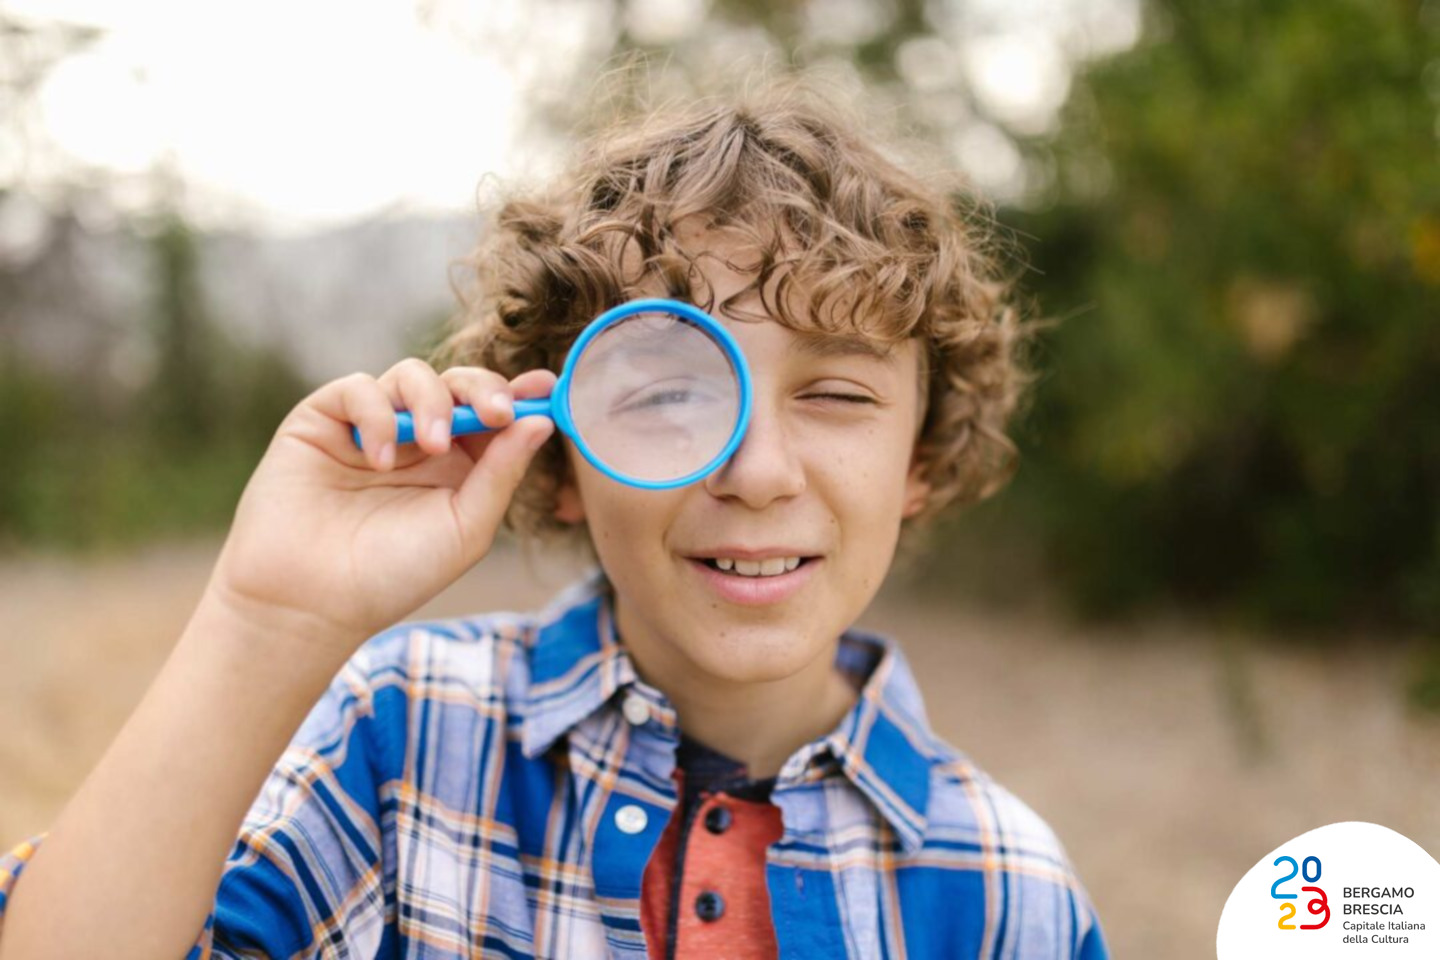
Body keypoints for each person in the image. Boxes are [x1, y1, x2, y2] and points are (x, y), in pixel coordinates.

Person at [0, 76, 1110, 959]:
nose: (761, 471)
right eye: (672, 392)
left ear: (919, 458)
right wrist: (264, 618)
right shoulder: (403, 741)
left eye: (836, 393)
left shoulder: (1007, 888)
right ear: (566, 452)